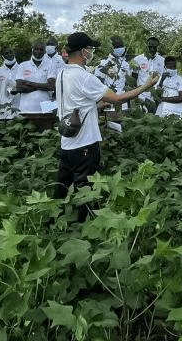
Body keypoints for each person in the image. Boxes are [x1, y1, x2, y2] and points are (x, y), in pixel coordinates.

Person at [54, 32, 159, 219]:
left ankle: (50, 221)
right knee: (85, 189)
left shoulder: (62, 73)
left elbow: (76, 102)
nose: (92, 52)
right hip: (85, 143)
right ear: (82, 52)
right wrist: (146, 86)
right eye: (90, 49)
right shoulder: (85, 77)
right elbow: (117, 98)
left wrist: (98, 105)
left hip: (67, 141)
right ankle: (82, 226)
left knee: (62, 186)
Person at [14, 42, 57, 115]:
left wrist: (29, 83)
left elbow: (51, 86)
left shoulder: (50, 65)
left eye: (41, 49)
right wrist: (43, 86)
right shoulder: (23, 65)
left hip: (46, 108)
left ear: (44, 51)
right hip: (25, 108)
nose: (39, 51)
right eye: (36, 49)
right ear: (32, 50)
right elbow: (19, 87)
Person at [131, 36, 165, 107]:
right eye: (150, 47)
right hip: (141, 94)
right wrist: (134, 94)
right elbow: (134, 77)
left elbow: (163, 78)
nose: (152, 49)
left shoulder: (162, 61)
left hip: (156, 95)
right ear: (146, 46)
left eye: (154, 47)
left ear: (157, 47)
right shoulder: (137, 59)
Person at [0, 47, 20, 121]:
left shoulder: (22, 69)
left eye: (11, 52)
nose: (9, 55)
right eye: (6, 53)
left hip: (19, 109)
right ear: (2, 56)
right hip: (3, 110)